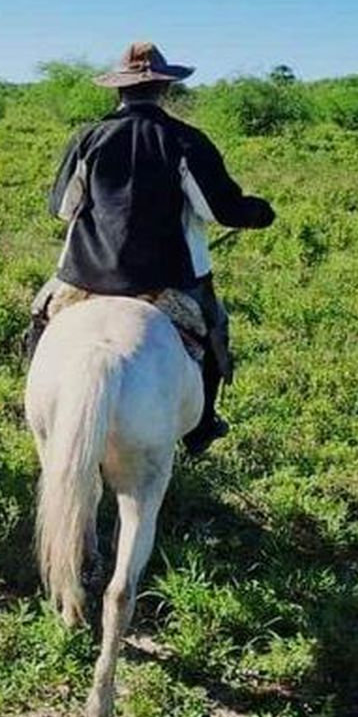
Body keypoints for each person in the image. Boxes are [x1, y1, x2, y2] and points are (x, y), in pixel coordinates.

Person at [26, 42, 276, 454]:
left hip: (85, 275)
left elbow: (62, 209)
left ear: (118, 90)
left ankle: (38, 403)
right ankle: (202, 425)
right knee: (214, 324)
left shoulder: (86, 139)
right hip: (165, 281)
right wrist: (258, 212)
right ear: (164, 89)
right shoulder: (186, 140)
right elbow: (219, 209)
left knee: (41, 315)